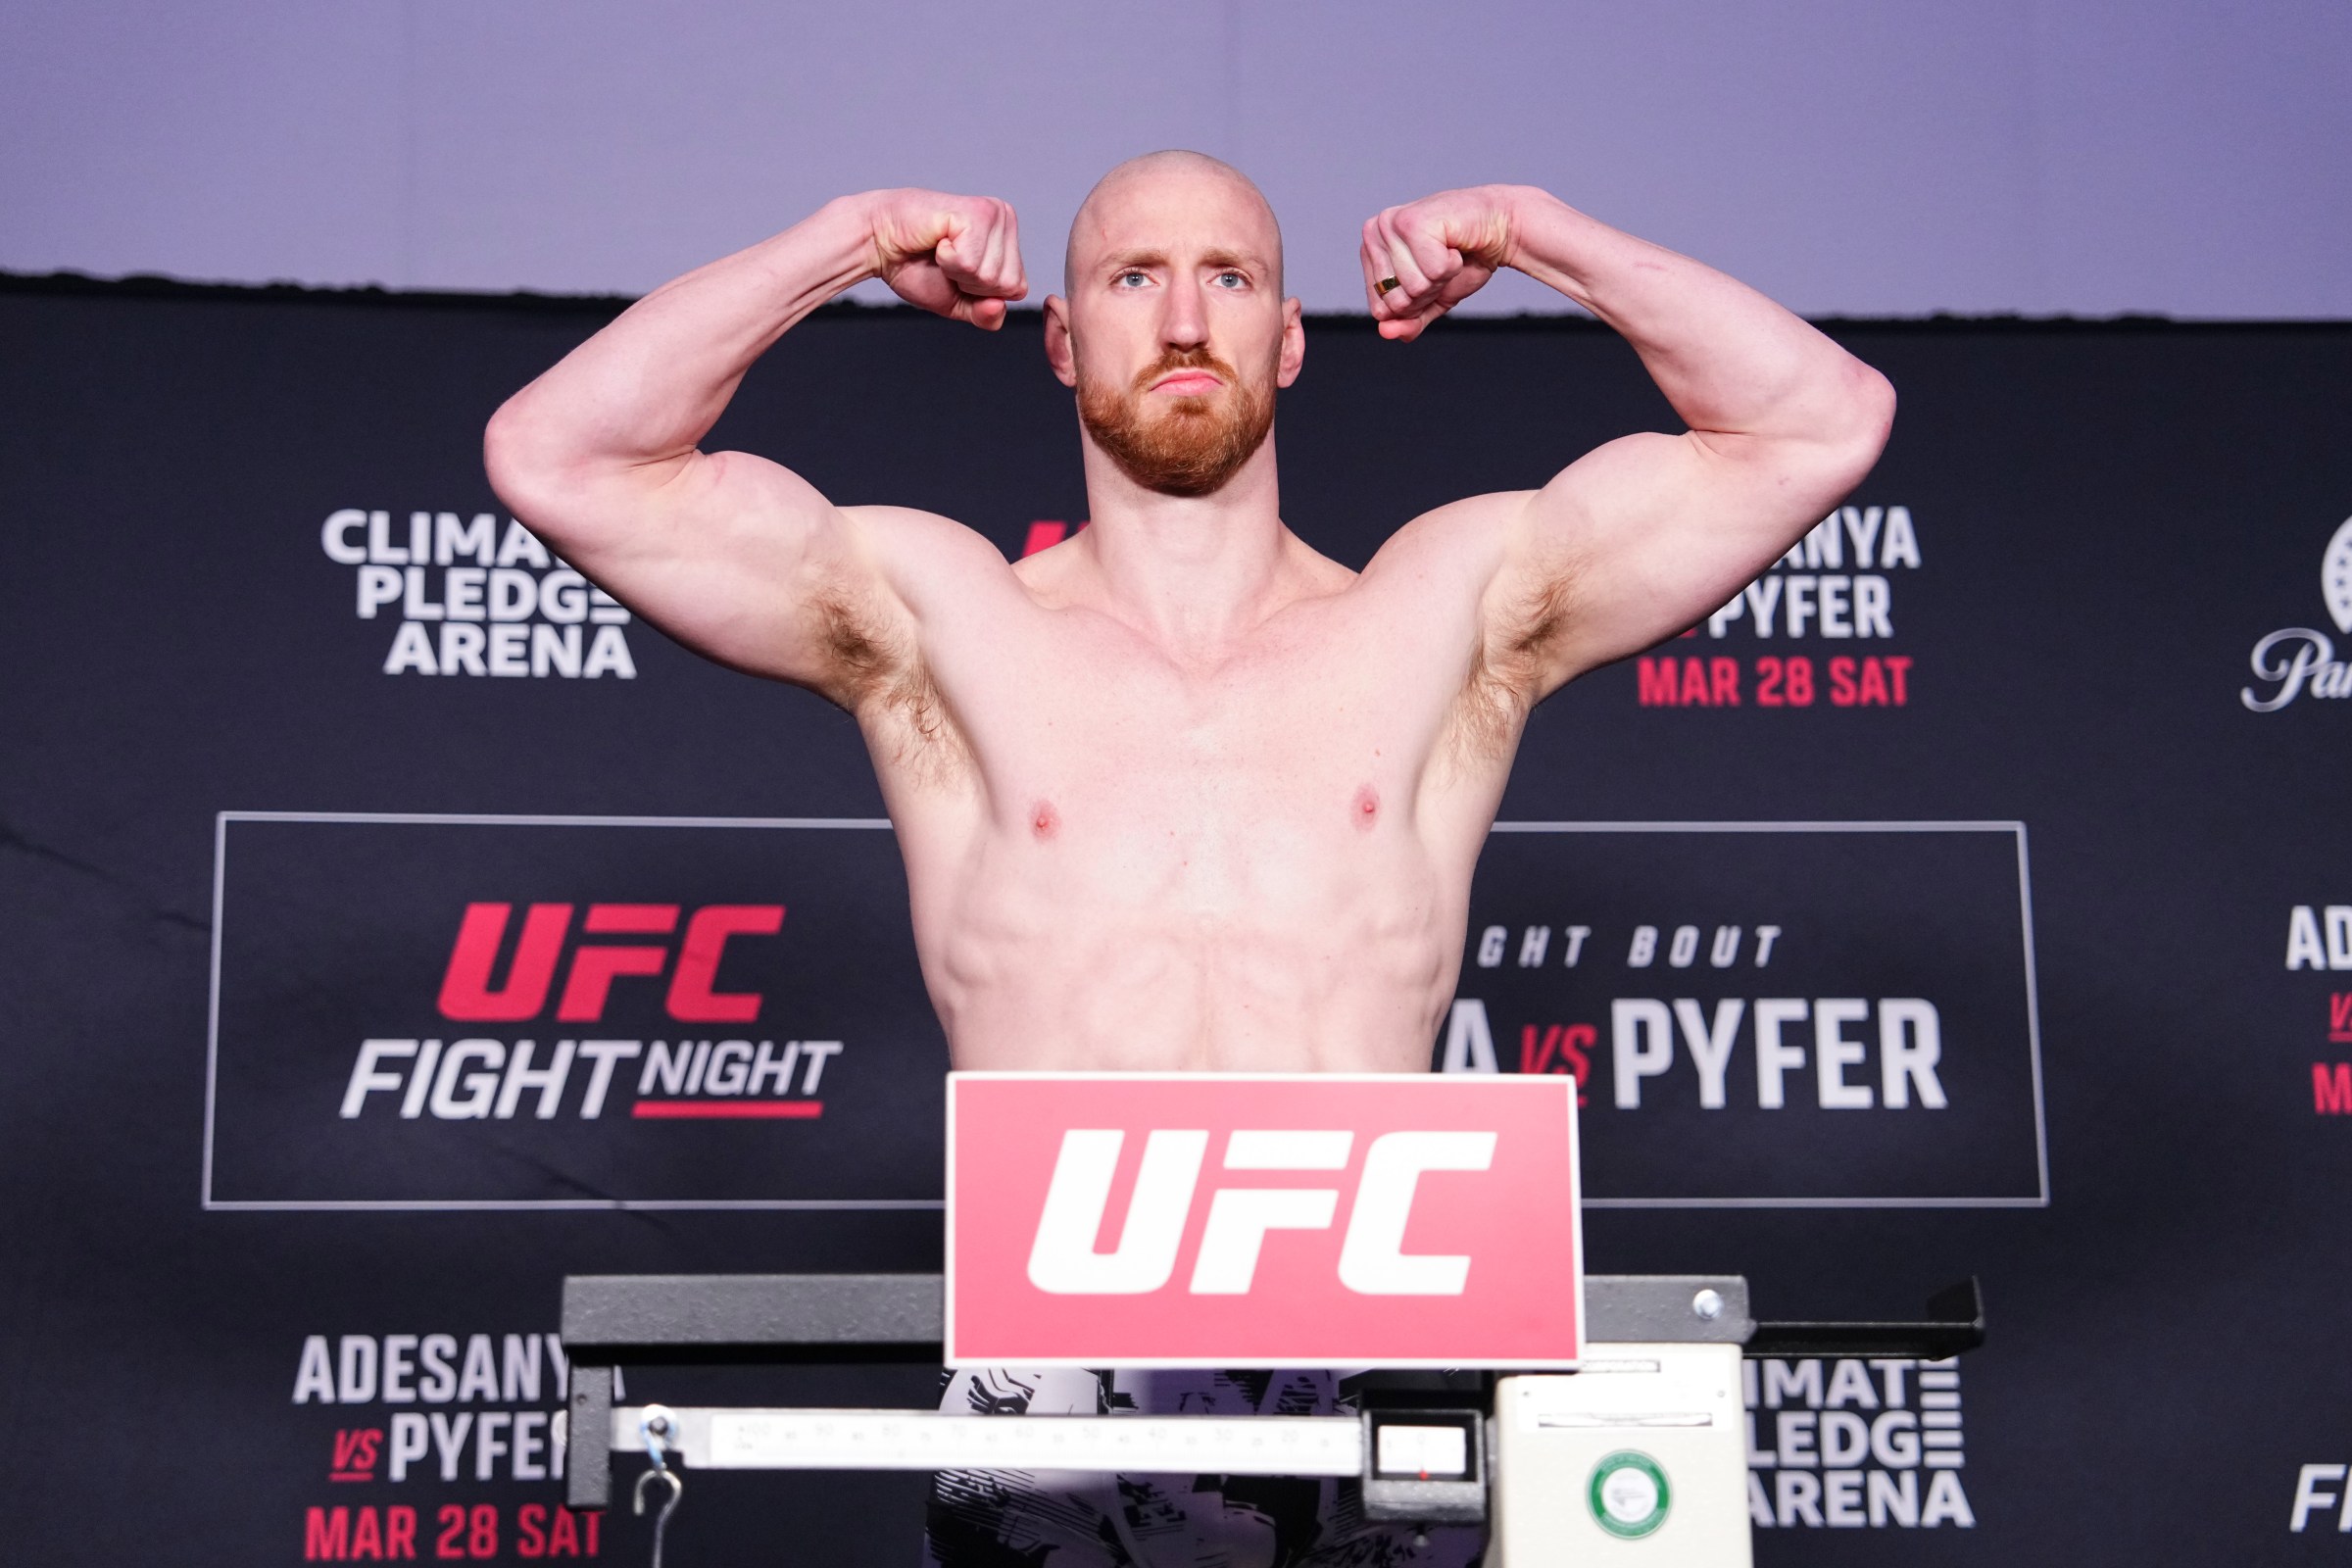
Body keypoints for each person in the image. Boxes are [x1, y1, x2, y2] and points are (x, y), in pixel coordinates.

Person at [486, 150, 1893, 1566]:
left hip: (1380, 1367)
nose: (1180, 323)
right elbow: (562, 456)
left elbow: (1816, 424)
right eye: (1131, 278)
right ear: (1061, 336)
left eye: (1229, 278)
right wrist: (845, 240)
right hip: (1051, 1389)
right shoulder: (940, 620)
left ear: (1288, 339)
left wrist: (1538, 234)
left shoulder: (1447, 612)